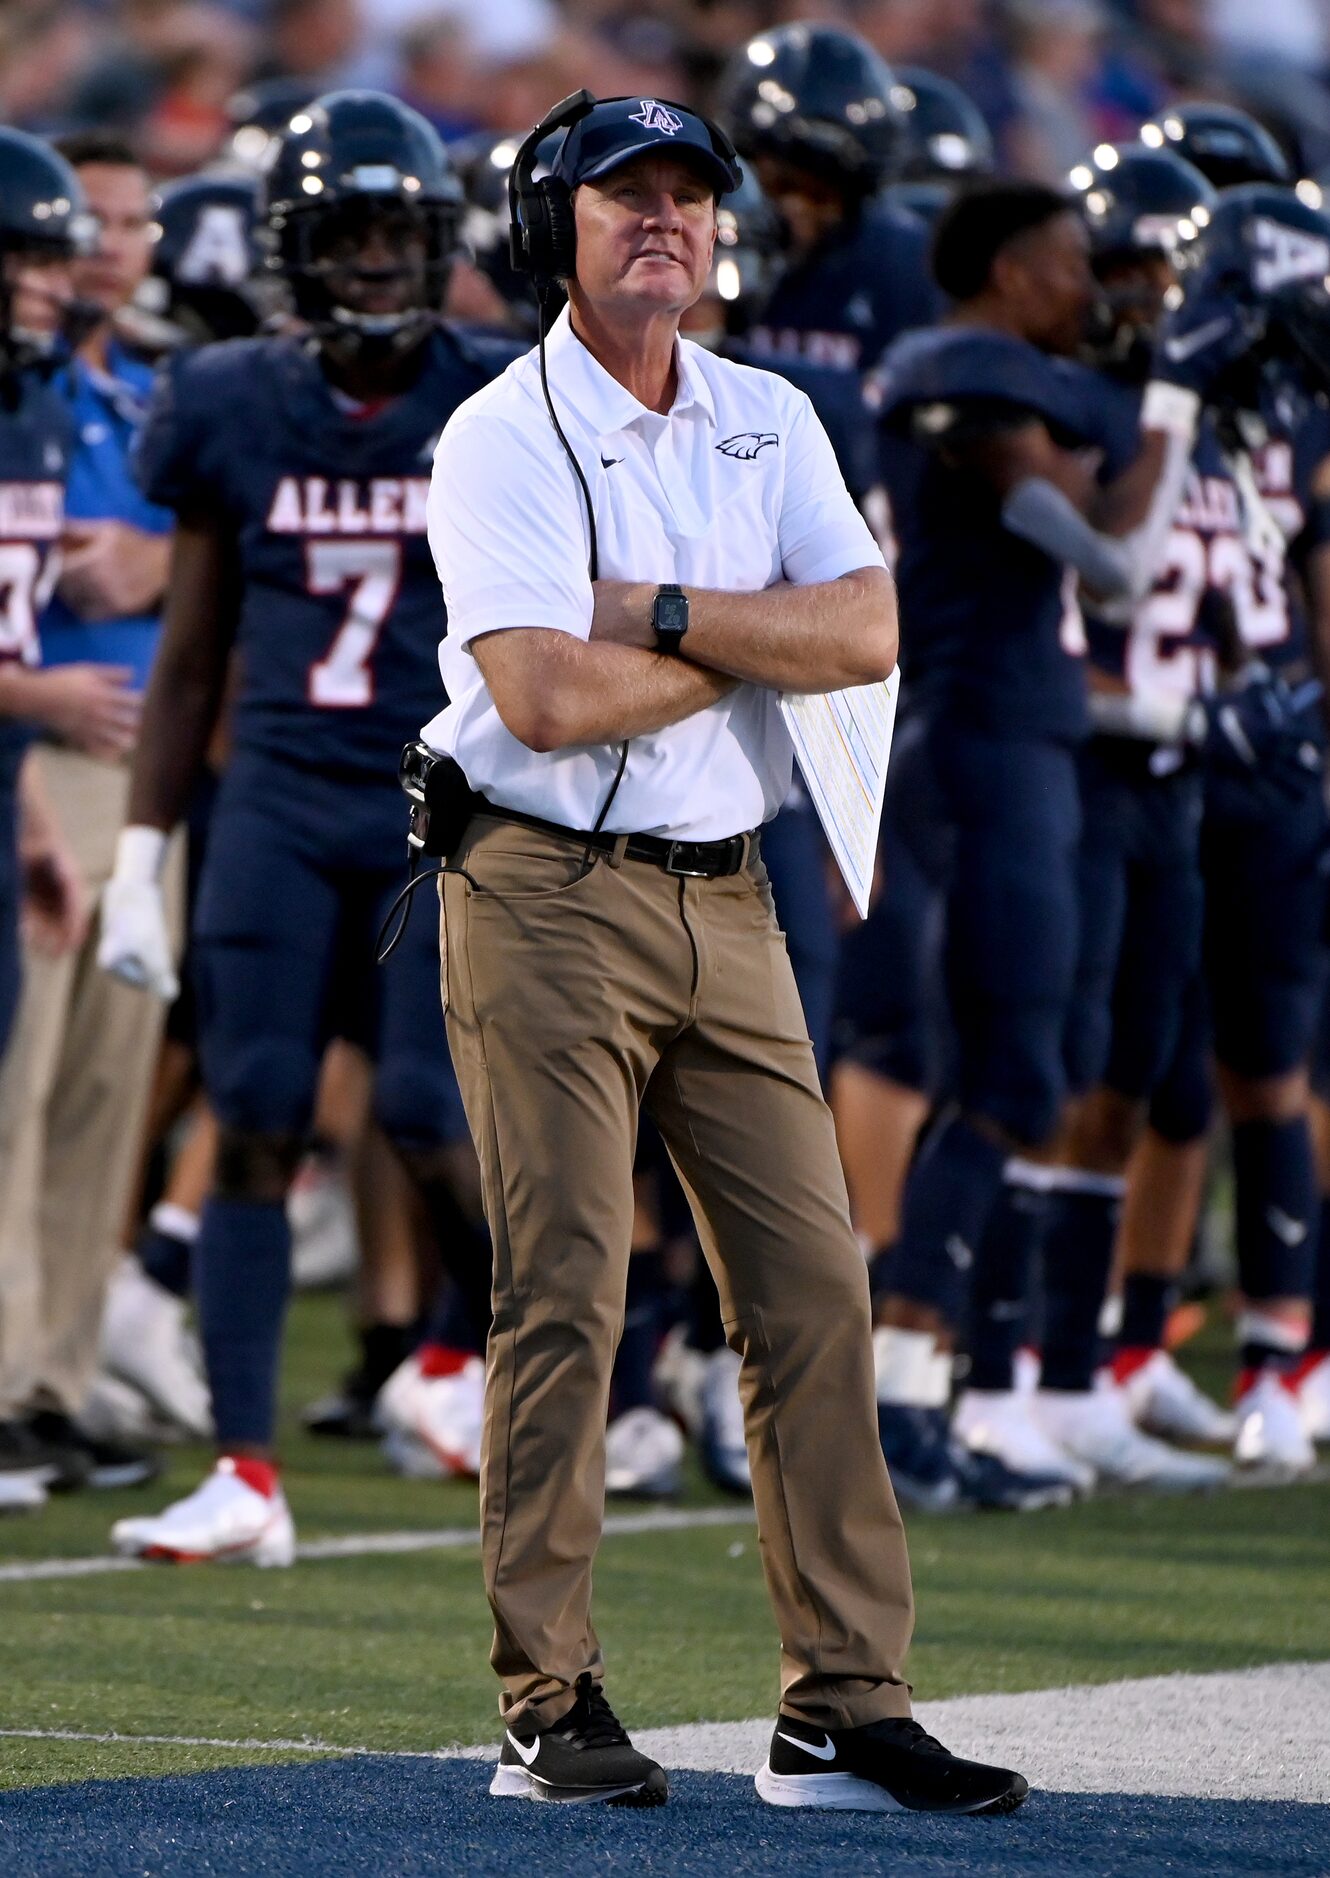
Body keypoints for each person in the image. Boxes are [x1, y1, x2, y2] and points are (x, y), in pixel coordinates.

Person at [422, 89, 1028, 1816]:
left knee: (816, 1288)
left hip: (728, 885)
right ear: (554, 224)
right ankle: (547, 1694)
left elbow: (870, 626)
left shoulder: (771, 412)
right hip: (536, 885)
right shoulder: (497, 431)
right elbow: (539, 692)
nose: (665, 222)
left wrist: (666, 617)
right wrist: (758, 651)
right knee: (564, 1290)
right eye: (627, 198)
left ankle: (841, 1701)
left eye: (689, 196)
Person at [99, 91, 509, 1566]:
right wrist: (144, 853)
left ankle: (482, 1362)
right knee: (258, 1109)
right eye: (348, 234)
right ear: (296, 249)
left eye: (400, 233)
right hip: (272, 790)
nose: (378, 262)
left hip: (435, 802)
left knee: (423, 1107)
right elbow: (194, 647)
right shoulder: (226, 399)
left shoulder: (499, 391)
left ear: (440, 239)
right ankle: (247, 1470)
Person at [868, 178, 1249, 1506]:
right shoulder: (952, 368)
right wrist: (1174, 403)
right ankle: (895, 1391)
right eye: (1064, 264)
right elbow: (1113, 560)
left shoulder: (1026, 377)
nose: (1087, 287)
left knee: (1016, 1074)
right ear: (1006, 270)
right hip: (975, 740)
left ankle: (915, 1391)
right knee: (1006, 1075)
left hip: (1020, 743)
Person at [0, 132, 175, 1498]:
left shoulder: (141, 397)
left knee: (100, 1099)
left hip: (138, 772)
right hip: (45, 754)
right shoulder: (35, 391)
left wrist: (156, 557)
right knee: (21, 1080)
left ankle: (49, 1380)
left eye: (124, 224)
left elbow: (194, 553)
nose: (103, 249)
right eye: (79, 227)